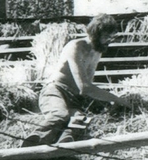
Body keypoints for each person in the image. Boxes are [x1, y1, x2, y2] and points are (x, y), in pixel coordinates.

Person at [22, 14, 127, 148]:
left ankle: (65, 146)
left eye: (112, 37)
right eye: (107, 36)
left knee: (80, 119)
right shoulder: (76, 47)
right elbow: (85, 87)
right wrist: (117, 99)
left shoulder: (97, 52)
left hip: (74, 98)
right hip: (55, 90)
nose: (110, 41)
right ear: (96, 34)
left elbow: (86, 86)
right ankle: (30, 145)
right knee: (60, 115)